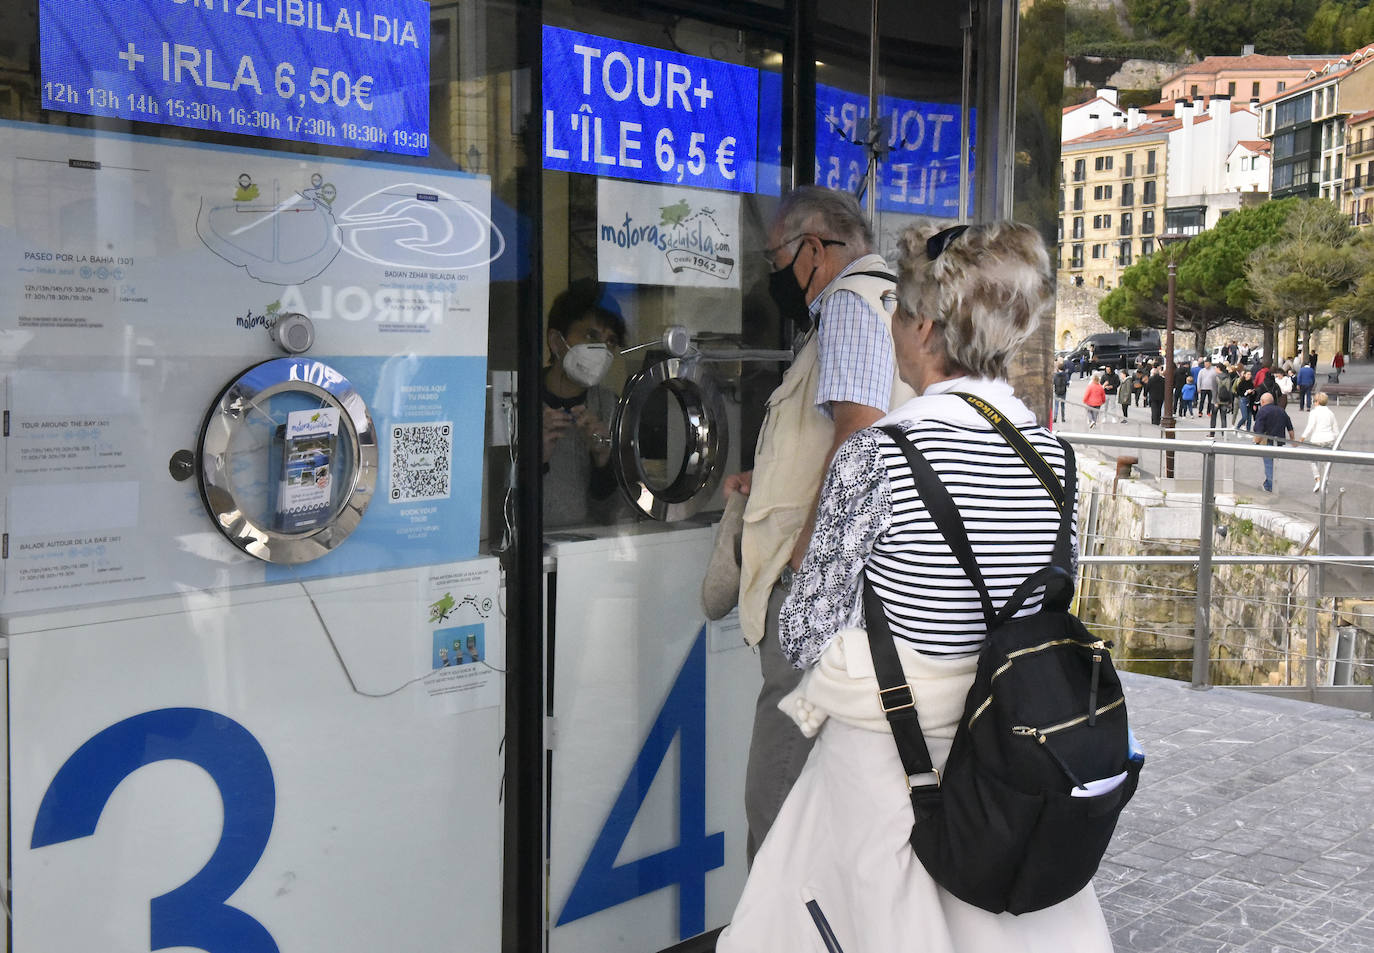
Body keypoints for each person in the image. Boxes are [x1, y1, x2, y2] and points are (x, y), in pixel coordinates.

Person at [717, 220, 1112, 952]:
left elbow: (802, 629)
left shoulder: (877, 456)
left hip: (881, 764)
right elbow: (1040, 610)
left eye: (899, 310)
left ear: (927, 328)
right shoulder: (1056, 459)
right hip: (1003, 761)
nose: (893, 326)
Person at [729, 185, 915, 862]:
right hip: (867, 593)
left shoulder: (848, 304)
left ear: (812, 250)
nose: (772, 273)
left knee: (776, 797)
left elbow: (859, 436)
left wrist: (809, 561)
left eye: (775, 255)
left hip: (827, 598)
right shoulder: (895, 304)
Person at [541, 280, 627, 530]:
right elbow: (496, 505)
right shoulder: (516, 399)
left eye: (610, 341)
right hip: (530, 555)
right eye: (591, 336)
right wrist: (535, 458)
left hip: (585, 551)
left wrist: (603, 459)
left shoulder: (611, 407)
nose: (602, 349)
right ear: (557, 342)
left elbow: (614, 516)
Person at [1253, 392, 1295, 493]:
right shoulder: (1281, 410)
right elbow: (1289, 426)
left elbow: (1259, 430)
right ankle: (1268, 483)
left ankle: (1270, 486)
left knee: (1268, 464)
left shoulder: (1262, 411)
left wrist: (1256, 442)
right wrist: (1292, 440)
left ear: (1262, 402)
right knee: (1273, 464)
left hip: (1267, 442)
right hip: (1279, 442)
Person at [1300, 392, 1339, 492]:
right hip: (1329, 439)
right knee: (1326, 462)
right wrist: (1336, 440)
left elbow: (1310, 426)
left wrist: (1303, 437)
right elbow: (1336, 430)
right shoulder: (1331, 413)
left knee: (1313, 460)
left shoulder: (1314, 412)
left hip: (1317, 439)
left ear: (1317, 402)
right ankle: (1325, 480)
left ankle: (1318, 479)